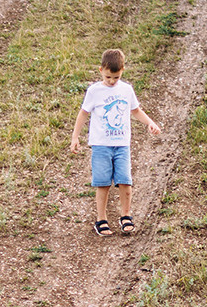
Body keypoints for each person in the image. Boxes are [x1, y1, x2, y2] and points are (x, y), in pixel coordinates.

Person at [68, 47, 162, 237]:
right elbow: (84, 113)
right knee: (102, 183)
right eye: (108, 77)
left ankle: (126, 216)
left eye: (116, 78)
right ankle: (101, 219)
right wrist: (75, 137)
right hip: (101, 145)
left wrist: (150, 122)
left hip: (122, 145)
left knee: (125, 181)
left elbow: (135, 111)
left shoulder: (126, 90)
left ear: (122, 72)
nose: (112, 82)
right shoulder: (94, 91)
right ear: (101, 70)